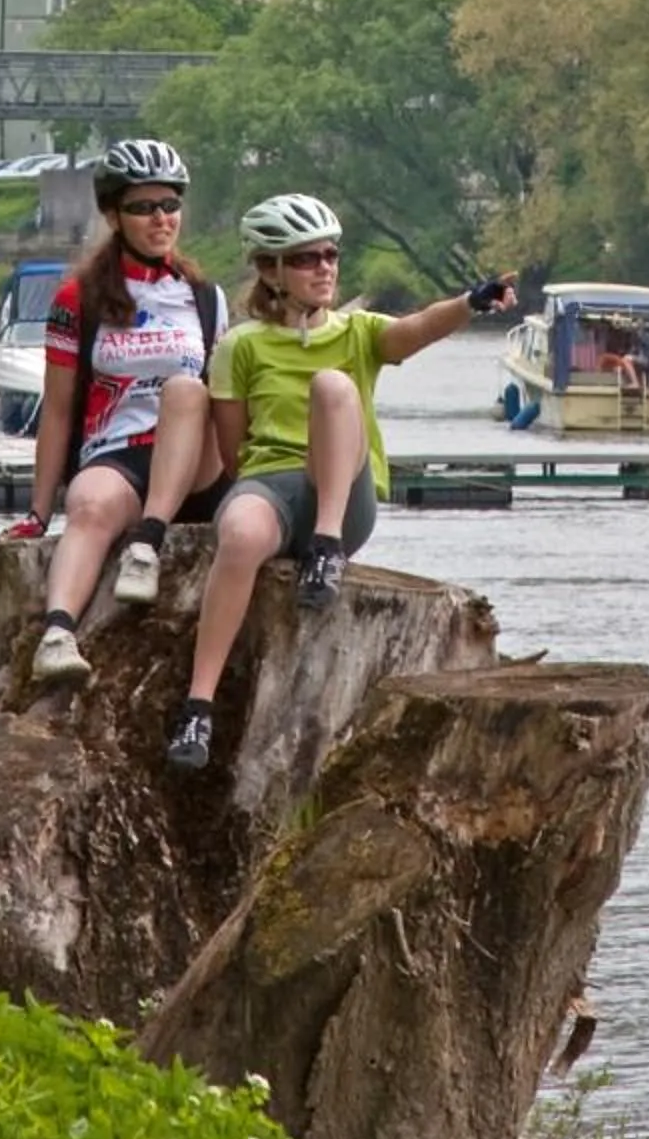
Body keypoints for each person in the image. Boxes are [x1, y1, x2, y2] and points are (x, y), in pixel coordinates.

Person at [164, 193, 512, 772]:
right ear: (271, 269)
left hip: (342, 501)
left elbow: (418, 328)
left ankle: (325, 548)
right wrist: (249, 502)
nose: (325, 267)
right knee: (241, 535)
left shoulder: (358, 333)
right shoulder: (239, 346)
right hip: (272, 487)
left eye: (330, 255)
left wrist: (471, 302)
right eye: (307, 258)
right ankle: (198, 707)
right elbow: (235, 451)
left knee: (333, 386)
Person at [9, 137, 227, 689]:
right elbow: (57, 412)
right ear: (113, 215)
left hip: (196, 459)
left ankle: (147, 542)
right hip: (121, 453)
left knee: (186, 390)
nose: (161, 219)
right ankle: (58, 636)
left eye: (170, 205)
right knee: (87, 505)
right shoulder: (78, 298)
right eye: (143, 208)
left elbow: (227, 398)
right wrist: (38, 512)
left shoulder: (205, 297)